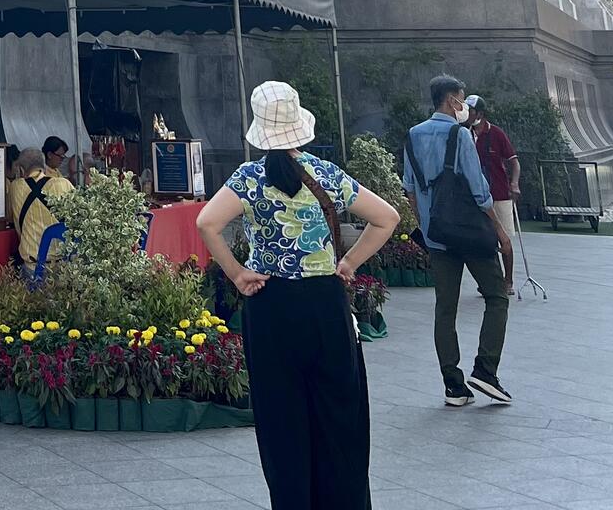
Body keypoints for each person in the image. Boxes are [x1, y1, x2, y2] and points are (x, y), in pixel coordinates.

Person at [197, 81, 396, 510]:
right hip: (325, 304)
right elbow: (387, 218)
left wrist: (237, 273)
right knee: (340, 417)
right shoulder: (326, 174)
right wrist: (348, 263)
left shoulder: (248, 178)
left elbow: (207, 223)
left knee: (281, 421)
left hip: (270, 305)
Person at [403, 75, 512, 407]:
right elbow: (479, 189)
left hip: (437, 235)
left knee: (445, 309)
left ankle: (454, 386)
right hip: (470, 231)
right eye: (462, 99)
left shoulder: (412, 135)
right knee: (496, 296)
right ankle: (485, 370)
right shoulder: (460, 135)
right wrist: (498, 229)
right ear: (452, 100)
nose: (464, 106)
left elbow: (410, 187)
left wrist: (426, 224)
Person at [467, 96, 521, 293]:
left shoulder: (496, 133)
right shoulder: (463, 133)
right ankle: (489, 281)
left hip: (499, 193)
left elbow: (514, 161)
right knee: (481, 240)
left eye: (470, 110)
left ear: (480, 113)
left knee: (504, 238)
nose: (466, 113)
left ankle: (508, 281)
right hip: (475, 196)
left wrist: (514, 183)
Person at [7, 145, 74, 269]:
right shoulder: (63, 184)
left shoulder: (15, 187)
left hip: (33, 266)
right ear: (44, 167)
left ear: (21, 170)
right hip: (64, 266)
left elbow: (9, 218)